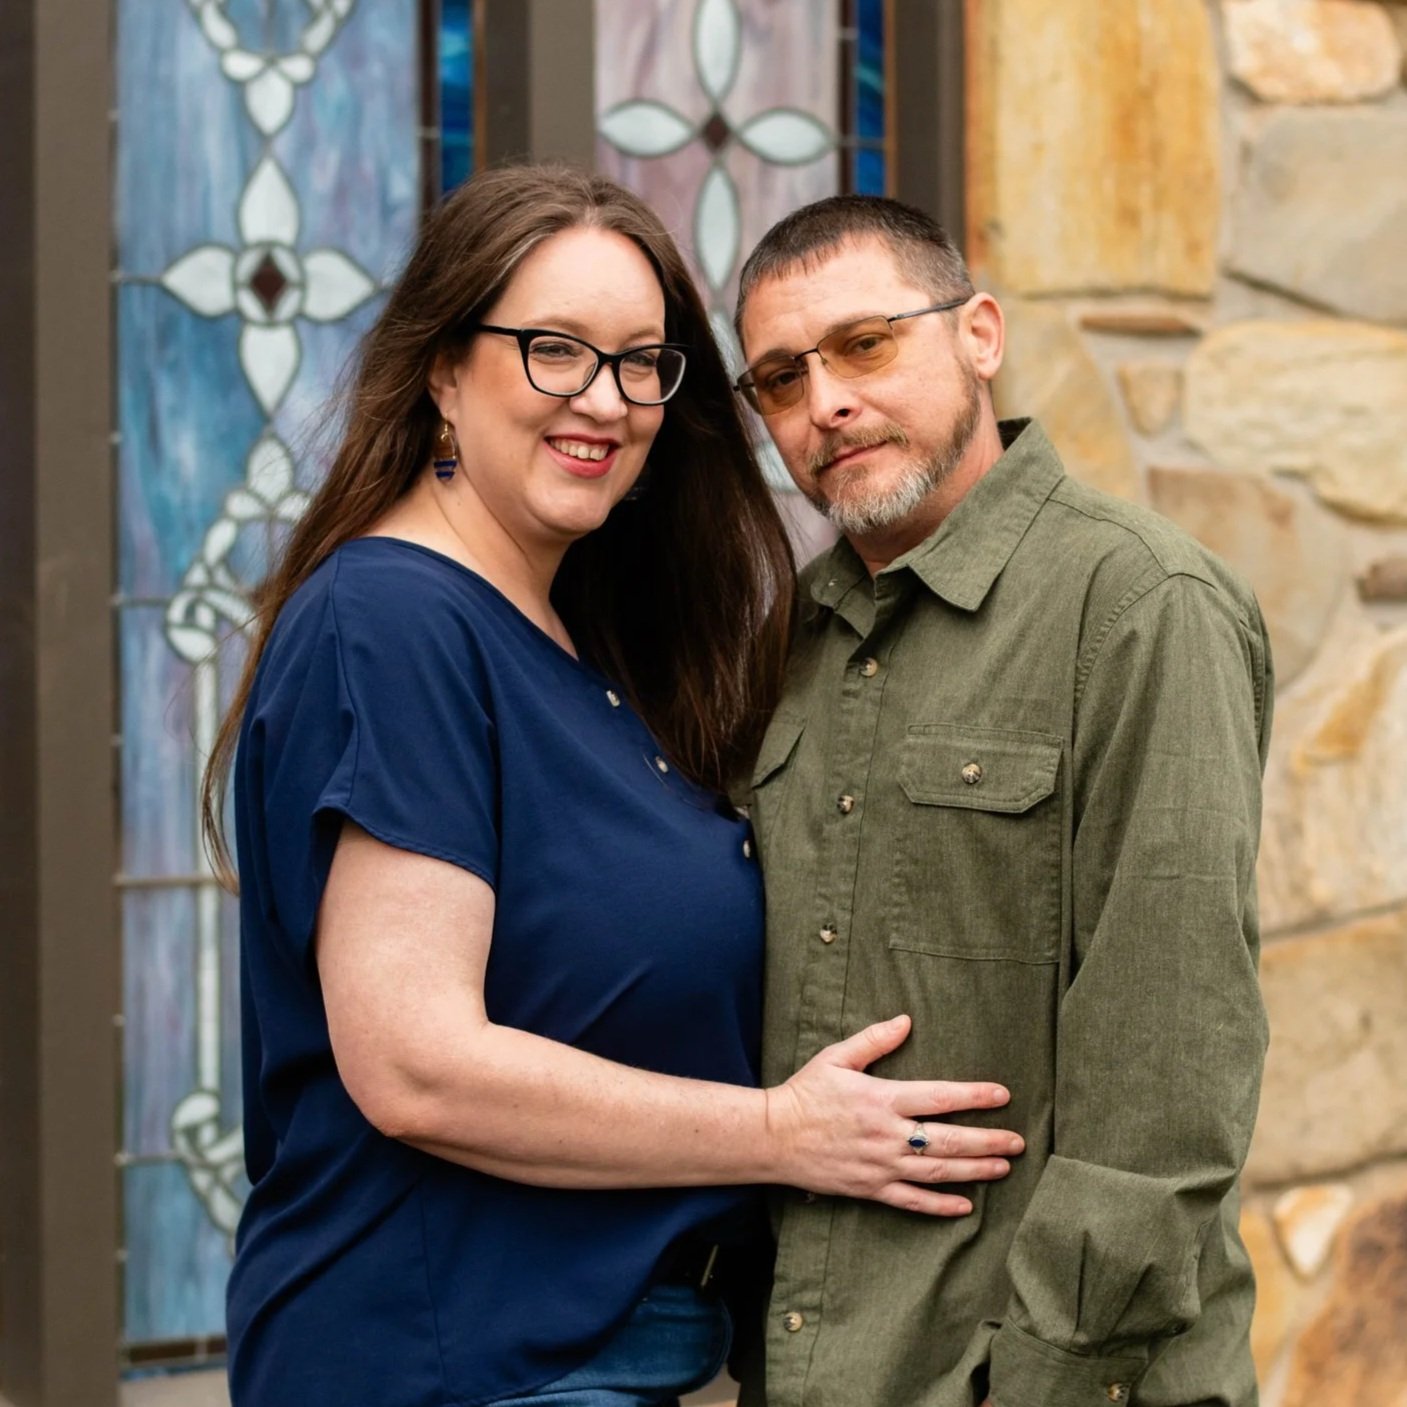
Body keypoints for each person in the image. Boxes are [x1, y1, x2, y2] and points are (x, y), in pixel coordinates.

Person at [200, 167, 1024, 1407]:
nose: (606, 400)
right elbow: (414, 1063)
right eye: (553, 351)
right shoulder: (393, 620)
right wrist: (779, 1134)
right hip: (451, 1361)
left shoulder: (587, 643)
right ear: (439, 371)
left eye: (642, 362)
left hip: (612, 1356)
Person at [732, 196, 1272, 1407]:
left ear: (980, 333)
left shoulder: (1143, 604)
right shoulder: (786, 644)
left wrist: (1042, 1377)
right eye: (779, 378)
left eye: (866, 344)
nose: (824, 403)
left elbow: (1170, 1068)